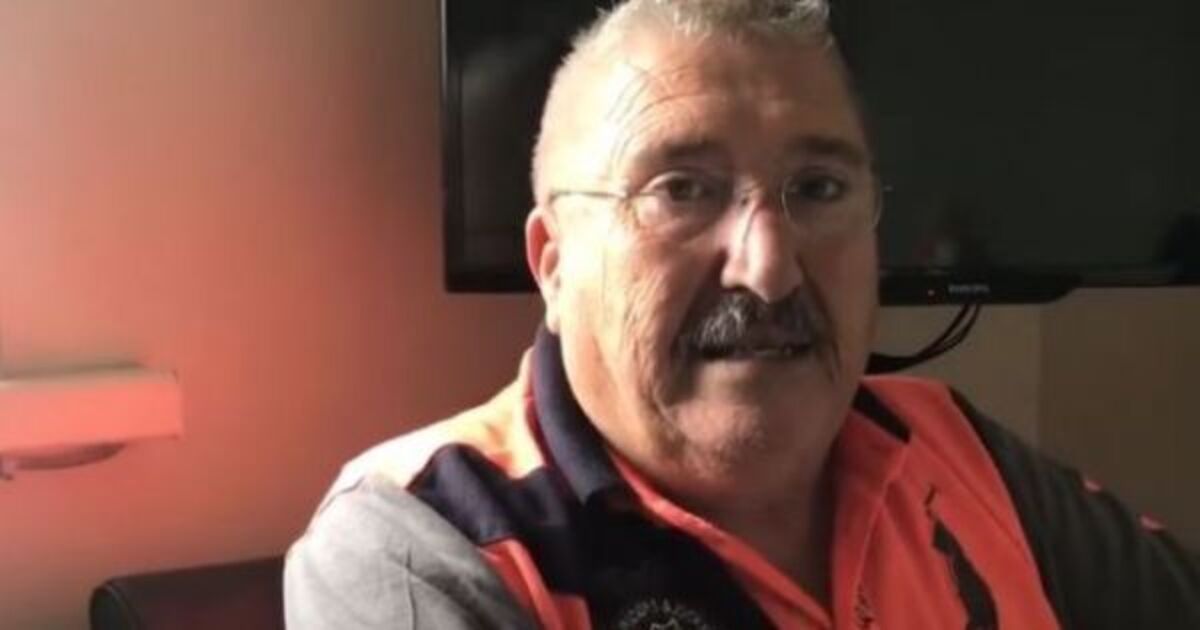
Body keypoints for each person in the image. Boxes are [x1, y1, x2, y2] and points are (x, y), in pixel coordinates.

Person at [283, 0, 1200, 627]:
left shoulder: (956, 450)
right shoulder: (422, 544)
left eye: (819, 187)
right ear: (553, 264)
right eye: (682, 189)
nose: (769, 270)